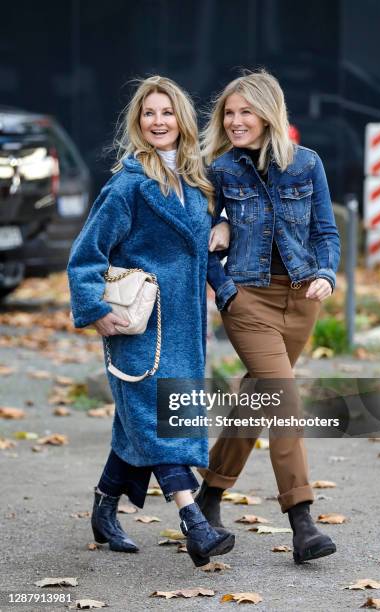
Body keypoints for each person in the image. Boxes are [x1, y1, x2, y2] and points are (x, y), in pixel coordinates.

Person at [67, 75, 234, 567]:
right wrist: (95, 310)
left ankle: (103, 508)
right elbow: (85, 256)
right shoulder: (127, 186)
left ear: (182, 120)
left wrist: (221, 224)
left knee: (140, 422)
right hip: (138, 328)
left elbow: (205, 241)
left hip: (185, 328)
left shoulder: (196, 180)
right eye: (148, 114)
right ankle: (195, 525)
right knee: (164, 425)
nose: (157, 121)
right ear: (137, 123)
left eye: (166, 113)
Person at [197, 70, 341, 564]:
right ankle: (302, 521)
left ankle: (209, 496)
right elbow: (202, 242)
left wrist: (326, 272)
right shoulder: (217, 170)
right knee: (283, 398)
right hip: (249, 298)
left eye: (246, 112)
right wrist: (226, 289)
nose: (235, 122)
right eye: (229, 113)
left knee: (258, 400)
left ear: (268, 114)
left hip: (301, 298)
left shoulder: (307, 165)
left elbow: (327, 232)